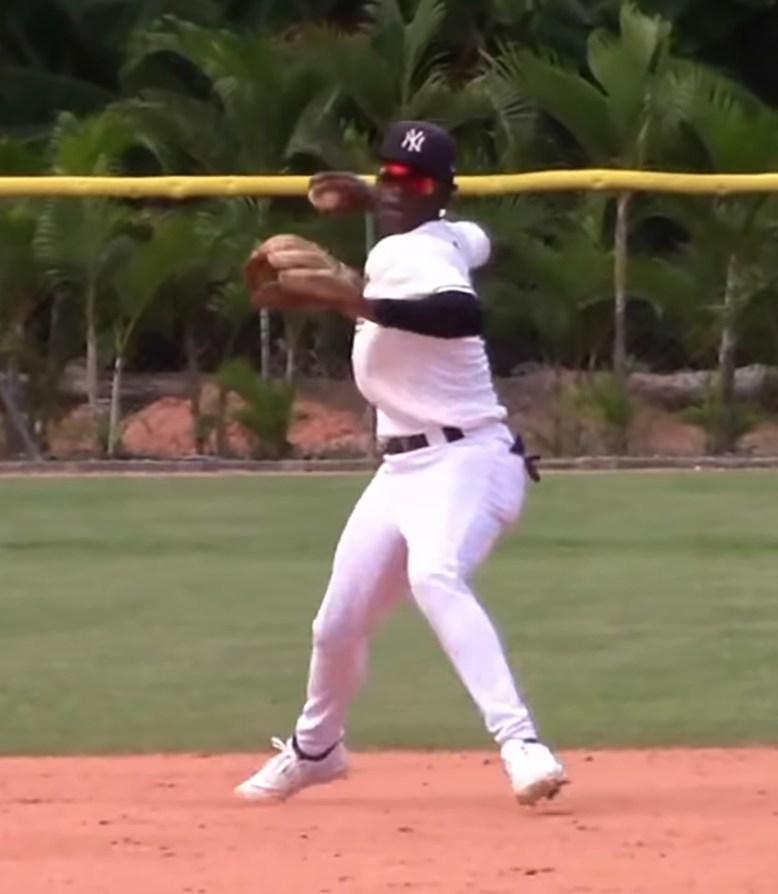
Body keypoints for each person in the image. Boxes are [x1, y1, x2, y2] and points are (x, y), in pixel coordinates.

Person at [234, 120, 568, 807]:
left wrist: (359, 301)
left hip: (470, 460)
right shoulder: (448, 236)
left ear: (440, 191)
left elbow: (458, 314)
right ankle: (316, 749)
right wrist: (371, 196)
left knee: (434, 573)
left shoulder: (421, 258)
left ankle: (521, 744)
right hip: (402, 471)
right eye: (389, 174)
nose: (397, 188)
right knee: (335, 624)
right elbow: (482, 241)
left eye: (413, 181)